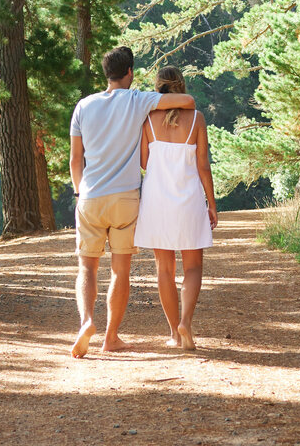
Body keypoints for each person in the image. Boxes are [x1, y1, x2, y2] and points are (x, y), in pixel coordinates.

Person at [69, 46, 194, 357]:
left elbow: (75, 160)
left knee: (87, 268)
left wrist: (78, 190)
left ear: (106, 74)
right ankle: (111, 337)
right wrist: (168, 94)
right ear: (130, 73)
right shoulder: (139, 99)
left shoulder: (83, 106)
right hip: (126, 198)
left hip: (90, 196)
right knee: (119, 271)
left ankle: (86, 322)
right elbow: (187, 101)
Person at [132, 67, 217, 350]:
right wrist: (212, 204)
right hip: (190, 199)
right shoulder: (197, 118)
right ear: (182, 85)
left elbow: (144, 163)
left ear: (158, 87)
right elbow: (203, 166)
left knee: (164, 269)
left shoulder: (148, 119)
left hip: (157, 200)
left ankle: (173, 333)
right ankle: (186, 322)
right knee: (193, 267)